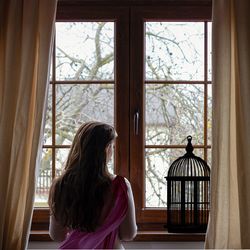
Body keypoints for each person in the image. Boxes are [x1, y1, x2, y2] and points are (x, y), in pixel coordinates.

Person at [48, 121, 137, 249]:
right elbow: (128, 234)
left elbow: (57, 235)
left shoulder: (61, 185)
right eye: (112, 146)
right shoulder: (120, 186)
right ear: (106, 149)